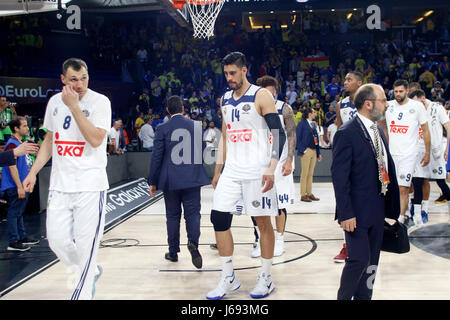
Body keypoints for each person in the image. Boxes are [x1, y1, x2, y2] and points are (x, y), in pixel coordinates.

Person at [22, 58, 112, 300]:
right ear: (63, 79)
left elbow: (95, 139)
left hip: (90, 186)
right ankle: (89, 271)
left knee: (86, 247)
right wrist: (32, 172)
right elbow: (49, 141)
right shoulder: (53, 102)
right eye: (73, 79)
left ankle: (82, 292)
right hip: (60, 185)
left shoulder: (100, 102)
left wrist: (74, 107)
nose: (80, 83)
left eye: (84, 78)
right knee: (57, 241)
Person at [207, 52, 286, 300]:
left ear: (244, 70)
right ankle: (228, 276)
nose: (229, 78)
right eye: (226, 73)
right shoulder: (225, 100)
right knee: (218, 218)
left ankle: (266, 277)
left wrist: (272, 166)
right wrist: (218, 171)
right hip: (232, 170)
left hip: (257, 170)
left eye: (233, 73)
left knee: (262, 223)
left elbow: (279, 133)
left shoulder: (260, 95)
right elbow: (225, 136)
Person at [332, 83, 400, 300]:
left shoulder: (376, 128)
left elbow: (384, 167)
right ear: (369, 104)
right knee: (358, 260)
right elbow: (339, 178)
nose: (387, 104)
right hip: (356, 212)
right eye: (383, 99)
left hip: (377, 208)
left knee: (372, 262)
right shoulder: (347, 133)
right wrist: (346, 213)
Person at [147, 95, 210, 268]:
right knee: (193, 214)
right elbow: (203, 151)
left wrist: (152, 181)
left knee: (173, 216)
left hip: (171, 180)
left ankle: (173, 252)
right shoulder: (196, 126)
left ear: (168, 110)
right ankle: (193, 243)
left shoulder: (162, 128)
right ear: (183, 109)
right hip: (192, 178)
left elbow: (156, 156)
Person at [250, 75, 297, 258]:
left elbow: (291, 135)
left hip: (280, 161)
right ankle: (258, 240)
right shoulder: (254, 108)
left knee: (279, 203)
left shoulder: (284, 108)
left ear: (274, 92)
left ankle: (280, 240)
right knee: (256, 203)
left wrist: (289, 160)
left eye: (267, 92)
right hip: (258, 162)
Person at [382, 79, 430, 225]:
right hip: (391, 154)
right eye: (395, 91)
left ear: (407, 91)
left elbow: (425, 130)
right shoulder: (388, 106)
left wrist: (427, 152)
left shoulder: (417, 107)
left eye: (401, 91)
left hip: (409, 154)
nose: (398, 94)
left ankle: (400, 219)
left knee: (403, 187)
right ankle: (398, 213)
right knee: (391, 188)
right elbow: (382, 126)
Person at [333, 71, 363, 263]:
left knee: (366, 201)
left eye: (349, 79)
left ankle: (370, 241)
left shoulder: (368, 100)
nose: (345, 82)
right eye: (344, 79)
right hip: (348, 157)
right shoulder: (341, 104)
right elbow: (338, 126)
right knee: (344, 200)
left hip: (366, 155)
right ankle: (347, 245)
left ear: (360, 83)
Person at [409, 89, 450, 226]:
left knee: (441, 182)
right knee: (418, 181)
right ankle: (418, 213)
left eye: (416, 102)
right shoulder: (413, 109)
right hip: (419, 151)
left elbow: (448, 127)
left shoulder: (437, 108)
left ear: (423, 98)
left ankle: (424, 209)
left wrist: (447, 149)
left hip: (435, 151)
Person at [2, 117, 39, 251]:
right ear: (16, 128)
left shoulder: (20, 143)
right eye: (23, 126)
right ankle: (14, 241)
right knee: (14, 212)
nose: (27, 128)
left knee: (18, 212)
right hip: (15, 185)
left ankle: (21, 236)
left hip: (22, 183)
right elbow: (12, 167)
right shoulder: (12, 145)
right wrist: (19, 186)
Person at [296, 107, 322, 202]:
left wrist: (318, 152)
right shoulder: (301, 124)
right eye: (314, 112)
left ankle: (309, 193)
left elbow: (316, 138)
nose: (315, 113)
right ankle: (303, 194)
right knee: (304, 173)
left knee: (310, 174)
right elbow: (298, 138)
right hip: (306, 151)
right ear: (310, 113)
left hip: (314, 151)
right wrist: (303, 150)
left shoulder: (313, 124)